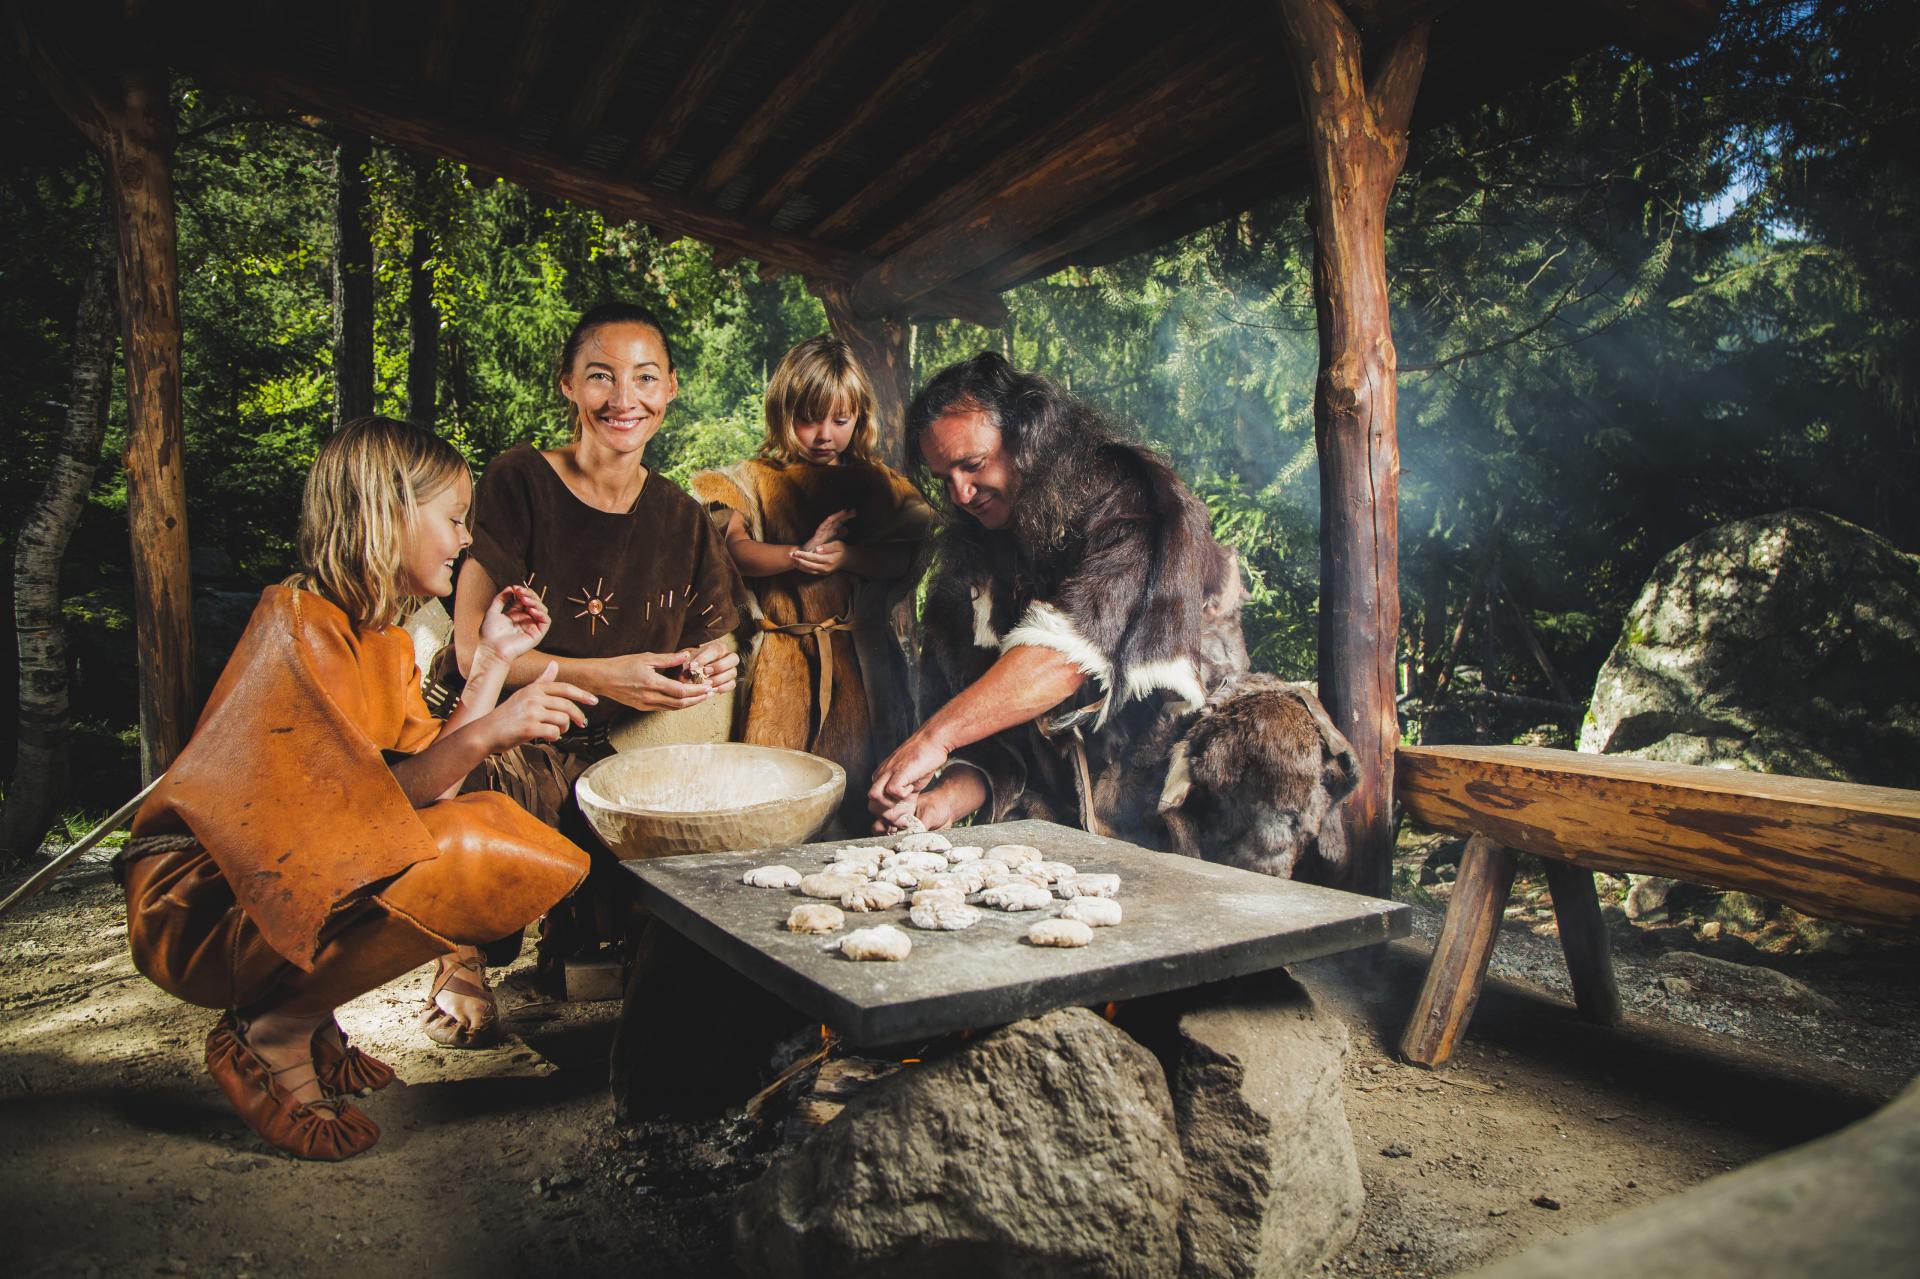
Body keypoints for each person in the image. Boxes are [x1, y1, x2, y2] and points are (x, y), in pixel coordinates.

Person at [117, 417, 595, 1161]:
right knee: (471, 847)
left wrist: (494, 662)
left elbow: (427, 786)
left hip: (263, 888)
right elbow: (350, 813)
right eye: (454, 519)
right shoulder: (299, 622)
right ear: (388, 514)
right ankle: (270, 1032)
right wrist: (495, 728)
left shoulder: (385, 637)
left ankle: (306, 1015)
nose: (467, 539)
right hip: (196, 901)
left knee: (491, 832)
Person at [449, 301, 751, 1029]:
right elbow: (468, 654)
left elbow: (720, 638)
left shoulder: (680, 514)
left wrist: (714, 667)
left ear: (671, 387)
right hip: (505, 721)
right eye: (600, 377)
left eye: (645, 378)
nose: (625, 399)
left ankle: (583, 934)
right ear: (567, 386)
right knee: (495, 783)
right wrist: (602, 674)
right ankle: (456, 955)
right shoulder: (519, 480)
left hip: (617, 736)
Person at [867, 351, 1252, 844]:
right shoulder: (970, 563)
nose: (961, 494)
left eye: (973, 464)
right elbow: (992, 738)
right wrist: (937, 802)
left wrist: (934, 737)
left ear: (1028, 439)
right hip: (1054, 821)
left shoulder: (1131, 498)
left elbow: (1066, 656)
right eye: (945, 479)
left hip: (1177, 802)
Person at [691, 336, 932, 825]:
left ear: (858, 417)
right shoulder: (748, 479)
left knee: (864, 799)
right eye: (809, 419)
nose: (825, 435)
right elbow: (735, 553)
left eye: (840, 421)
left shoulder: (881, 485)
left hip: (864, 668)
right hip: (779, 665)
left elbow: (903, 560)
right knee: (771, 798)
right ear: (782, 412)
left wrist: (848, 556)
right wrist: (798, 557)